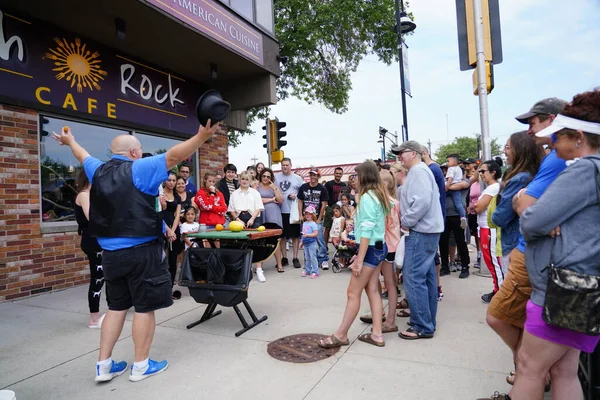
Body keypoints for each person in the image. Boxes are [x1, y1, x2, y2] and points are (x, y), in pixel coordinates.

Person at [52, 120, 219, 383]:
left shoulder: (99, 170)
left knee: (117, 307)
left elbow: (81, 155)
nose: (141, 152)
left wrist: (70, 141)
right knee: (144, 308)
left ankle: (104, 365)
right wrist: (201, 135)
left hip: (110, 256)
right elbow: (175, 154)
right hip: (142, 252)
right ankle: (141, 366)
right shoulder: (140, 168)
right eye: (139, 148)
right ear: (133, 152)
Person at [499, 91, 600, 400]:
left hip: (563, 288)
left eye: (558, 136)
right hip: (583, 286)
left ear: (579, 136)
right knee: (564, 371)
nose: (553, 144)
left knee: (530, 367)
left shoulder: (583, 170)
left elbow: (531, 221)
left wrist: (523, 204)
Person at [479, 98, 567, 399]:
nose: (529, 131)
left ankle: (525, 370)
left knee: (500, 317)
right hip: (538, 254)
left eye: (532, 123)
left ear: (552, 120)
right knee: (564, 368)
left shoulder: (553, 161)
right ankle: (528, 370)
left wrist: (515, 201)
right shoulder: (553, 160)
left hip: (528, 251)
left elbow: (511, 214)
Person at [318, 161, 390, 348]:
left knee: (353, 292)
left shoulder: (366, 198)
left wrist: (359, 259)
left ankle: (341, 335)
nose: (353, 180)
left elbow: (366, 231)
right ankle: (377, 334)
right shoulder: (379, 195)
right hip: (379, 248)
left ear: (364, 177)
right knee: (372, 290)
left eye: (356, 176)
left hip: (370, 249)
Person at [394, 141, 444, 340]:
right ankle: (427, 320)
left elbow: (422, 201)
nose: (399, 156)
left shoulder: (418, 171)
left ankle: (422, 325)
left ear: (414, 153)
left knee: (413, 277)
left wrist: (406, 220)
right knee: (426, 277)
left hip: (421, 231)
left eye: (402, 153)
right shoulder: (421, 170)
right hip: (428, 230)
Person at [74, 170, 107, 329]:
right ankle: (94, 318)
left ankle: (104, 313)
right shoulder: (84, 195)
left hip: (95, 241)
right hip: (92, 242)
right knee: (98, 277)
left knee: (103, 276)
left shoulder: (89, 195)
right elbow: (92, 218)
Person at [473, 160, 502, 304]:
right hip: (485, 227)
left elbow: (478, 207)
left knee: (493, 262)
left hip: (489, 228)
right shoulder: (491, 188)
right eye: (479, 171)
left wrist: (474, 206)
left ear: (493, 172)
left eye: (483, 171)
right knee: (491, 261)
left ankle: (500, 292)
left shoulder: (493, 188)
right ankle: (498, 289)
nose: (480, 174)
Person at [421, 149, 447, 301]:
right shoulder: (434, 169)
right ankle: (436, 288)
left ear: (423, 153)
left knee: (432, 255)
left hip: (432, 220)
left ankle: (436, 289)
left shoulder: (432, 169)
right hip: (435, 218)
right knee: (432, 254)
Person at [275, 157, 304, 269]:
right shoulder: (277, 177)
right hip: (280, 210)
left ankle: (295, 258)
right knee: (282, 235)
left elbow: (302, 193)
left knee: (295, 236)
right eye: (283, 165)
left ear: (291, 166)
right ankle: (284, 257)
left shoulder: (297, 178)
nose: (285, 167)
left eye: (287, 165)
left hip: (293, 211)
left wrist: (295, 196)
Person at [298, 169, 330, 270]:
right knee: (306, 239)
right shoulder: (303, 187)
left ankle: (323, 259)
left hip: (316, 218)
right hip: (306, 218)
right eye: (311, 175)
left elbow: (324, 203)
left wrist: (320, 218)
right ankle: (309, 261)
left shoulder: (322, 188)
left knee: (319, 239)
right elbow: (300, 201)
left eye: (315, 175)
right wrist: (300, 215)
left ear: (318, 177)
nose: (313, 177)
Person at [257, 167, 284, 277]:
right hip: (261, 214)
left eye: (268, 176)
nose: (266, 178)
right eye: (264, 176)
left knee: (275, 240)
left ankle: (279, 264)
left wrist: (275, 189)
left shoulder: (274, 187)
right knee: (261, 240)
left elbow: (281, 201)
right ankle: (260, 266)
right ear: (261, 176)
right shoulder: (256, 186)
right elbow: (257, 200)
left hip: (274, 214)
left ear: (271, 178)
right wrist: (272, 200)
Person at [160, 172, 183, 299]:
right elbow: (158, 213)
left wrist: (173, 231)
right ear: (164, 181)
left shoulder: (177, 197)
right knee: (161, 259)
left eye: (174, 180)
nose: (172, 182)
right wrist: (167, 230)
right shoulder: (159, 194)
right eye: (169, 180)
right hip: (162, 228)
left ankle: (169, 290)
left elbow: (177, 215)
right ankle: (160, 289)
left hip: (174, 230)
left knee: (173, 260)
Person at [323, 167, 347, 247]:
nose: (338, 175)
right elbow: (325, 197)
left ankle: (339, 245)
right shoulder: (328, 184)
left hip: (340, 208)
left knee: (340, 228)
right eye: (337, 173)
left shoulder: (343, 185)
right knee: (328, 228)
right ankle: (325, 246)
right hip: (330, 208)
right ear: (334, 174)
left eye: (340, 174)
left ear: (342, 174)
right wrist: (326, 208)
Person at [445, 154, 467, 229]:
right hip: (457, 188)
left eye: (448, 161)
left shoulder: (451, 169)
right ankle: (463, 217)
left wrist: (447, 186)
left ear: (454, 162)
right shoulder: (459, 169)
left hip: (450, 186)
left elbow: (450, 178)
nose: (447, 163)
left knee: (440, 197)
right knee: (458, 204)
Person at [301, 206, 319, 278]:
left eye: (310, 214)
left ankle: (315, 271)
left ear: (313, 215)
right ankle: (307, 270)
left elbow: (316, 233)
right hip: (305, 243)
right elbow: (303, 233)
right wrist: (301, 242)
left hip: (312, 243)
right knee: (307, 257)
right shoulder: (304, 223)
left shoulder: (313, 224)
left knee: (312, 257)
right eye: (306, 214)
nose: (308, 215)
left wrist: (308, 235)